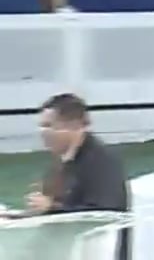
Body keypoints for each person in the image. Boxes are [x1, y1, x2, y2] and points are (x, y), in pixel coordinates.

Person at [31, 93, 130, 258]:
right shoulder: (61, 162)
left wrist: (51, 208)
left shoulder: (102, 162)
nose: (42, 132)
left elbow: (107, 212)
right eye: (41, 126)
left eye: (49, 126)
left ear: (74, 126)